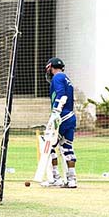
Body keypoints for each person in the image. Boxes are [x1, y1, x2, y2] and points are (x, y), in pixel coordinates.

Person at [41, 57, 78, 188]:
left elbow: (61, 95)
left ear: (51, 67)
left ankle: (55, 178)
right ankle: (72, 179)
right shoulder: (67, 79)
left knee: (48, 144)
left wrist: (56, 112)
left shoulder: (57, 77)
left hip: (61, 116)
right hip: (70, 116)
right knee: (67, 147)